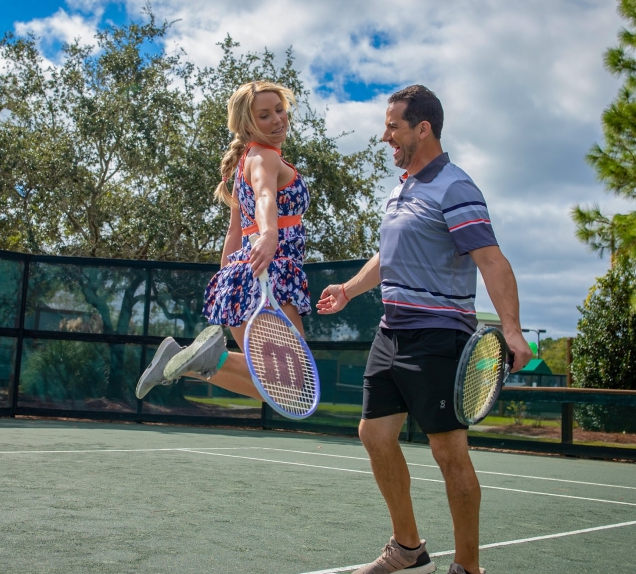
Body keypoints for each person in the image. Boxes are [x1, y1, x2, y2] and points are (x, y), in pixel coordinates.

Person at [316, 85, 532, 574]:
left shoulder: (456, 188)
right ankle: (408, 549)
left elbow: (492, 261)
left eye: (393, 126)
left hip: (439, 337)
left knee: (447, 451)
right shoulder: (402, 189)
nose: (384, 135)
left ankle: (468, 568)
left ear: (423, 128)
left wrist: (513, 330)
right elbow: (387, 257)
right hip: (391, 333)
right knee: (374, 434)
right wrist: (350, 289)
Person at [134, 80, 311, 401]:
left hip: (241, 276)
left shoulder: (243, 163)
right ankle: (210, 357)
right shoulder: (264, 158)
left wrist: (224, 285)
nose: (277, 119)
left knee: (279, 387)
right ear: (247, 124)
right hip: (270, 270)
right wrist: (270, 233)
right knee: (294, 379)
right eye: (264, 115)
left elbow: (234, 232)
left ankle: (185, 361)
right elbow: (265, 196)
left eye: (280, 110)